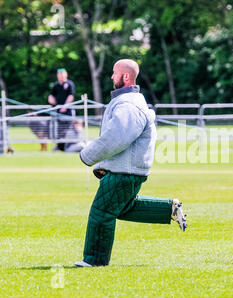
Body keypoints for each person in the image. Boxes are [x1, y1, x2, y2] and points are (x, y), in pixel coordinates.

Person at [75, 59, 187, 268]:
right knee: (124, 207)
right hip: (129, 169)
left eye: (114, 73)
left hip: (124, 171)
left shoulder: (128, 104)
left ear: (126, 77)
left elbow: (116, 138)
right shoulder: (131, 102)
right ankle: (168, 209)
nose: (111, 77)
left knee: (101, 213)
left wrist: (88, 156)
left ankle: (95, 260)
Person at [48, 68, 75, 151]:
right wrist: (51, 99)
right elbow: (51, 95)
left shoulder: (69, 84)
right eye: (59, 74)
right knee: (59, 129)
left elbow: (71, 96)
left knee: (68, 128)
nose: (61, 75)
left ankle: (68, 146)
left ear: (66, 74)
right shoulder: (56, 85)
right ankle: (60, 146)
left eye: (63, 74)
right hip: (58, 112)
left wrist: (65, 107)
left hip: (68, 111)